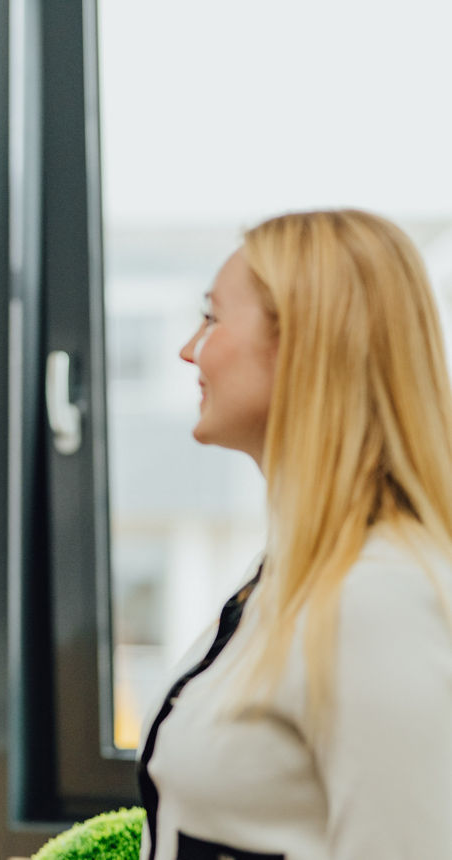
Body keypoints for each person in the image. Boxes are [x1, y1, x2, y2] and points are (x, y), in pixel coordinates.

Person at [137, 209, 452, 859]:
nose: (189, 349)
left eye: (212, 318)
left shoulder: (380, 599)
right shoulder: (290, 572)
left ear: (307, 344)